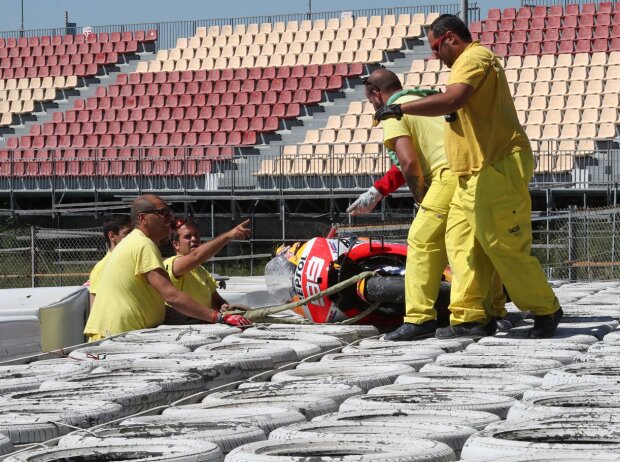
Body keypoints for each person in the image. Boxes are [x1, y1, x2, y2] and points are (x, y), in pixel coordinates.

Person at [374, 14, 562, 339]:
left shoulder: (472, 57)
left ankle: (545, 308)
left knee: (500, 243)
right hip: (467, 173)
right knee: (462, 245)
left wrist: (400, 110)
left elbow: (454, 98)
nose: (436, 56)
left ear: (450, 38)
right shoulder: (463, 65)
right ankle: (471, 317)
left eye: (436, 47)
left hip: (495, 166)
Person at [349, 69, 505, 340]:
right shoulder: (426, 101)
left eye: (370, 100)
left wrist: (420, 196)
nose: (372, 105)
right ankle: (492, 312)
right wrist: (377, 191)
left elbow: (409, 163)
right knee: (473, 245)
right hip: (475, 171)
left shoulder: (393, 111)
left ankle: (419, 318)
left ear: (376, 95)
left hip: (446, 176)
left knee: (422, 242)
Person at [83, 194, 251, 342]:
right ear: (143, 218)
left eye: (169, 213)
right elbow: (172, 296)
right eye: (162, 213)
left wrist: (211, 316)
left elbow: (161, 302)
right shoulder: (143, 245)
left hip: (119, 333)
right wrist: (217, 318)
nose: (169, 219)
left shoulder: (139, 243)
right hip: (114, 335)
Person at [163, 217, 252, 324]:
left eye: (196, 235)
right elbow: (197, 256)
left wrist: (225, 307)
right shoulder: (172, 263)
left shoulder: (201, 270)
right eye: (188, 237)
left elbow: (216, 300)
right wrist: (229, 235)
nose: (194, 239)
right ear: (176, 244)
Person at [87, 214, 132, 308]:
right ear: (112, 236)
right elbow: (95, 308)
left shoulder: (131, 259)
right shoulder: (102, 267)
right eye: (128, 233)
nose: (133, 237)